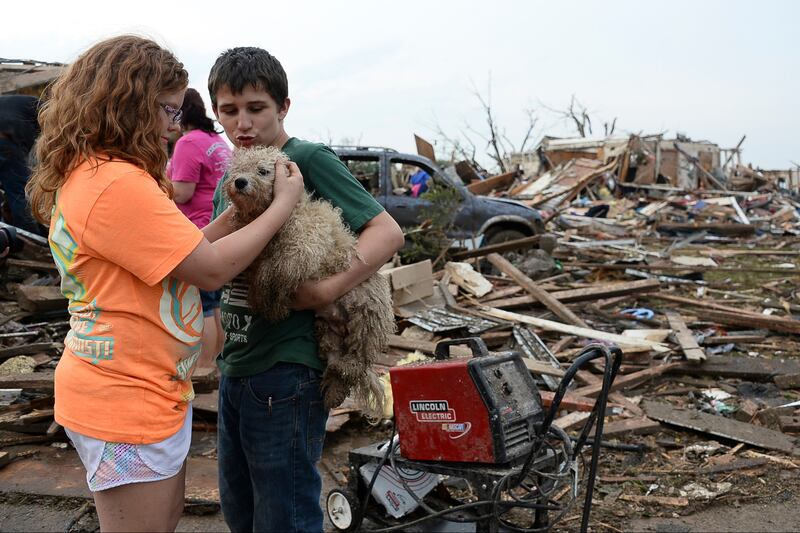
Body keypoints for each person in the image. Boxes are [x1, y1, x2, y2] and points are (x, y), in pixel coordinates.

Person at [25, 36, 304, 532]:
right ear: (130, 104)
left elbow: (182, 250)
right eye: (168, 110)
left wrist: (235, 219)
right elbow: (212, 270)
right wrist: (283, 204)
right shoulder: (116, 185)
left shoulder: (100, 174)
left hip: (140, 387)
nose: (174, 125)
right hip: (124, 397)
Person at [207, 46, 405, 533]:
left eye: (257, 108)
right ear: (215, 113)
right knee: (241, 511)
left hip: (287, 369)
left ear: (284, 107)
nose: (243, 123)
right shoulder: (233, 178)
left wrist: (325, 290)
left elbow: (386, 233)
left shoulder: (304, 161)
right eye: (229, 111)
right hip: (239, 363)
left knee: (285, 514)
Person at [169, 88, 233, 369]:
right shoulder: (216, 141)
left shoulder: (187, 143)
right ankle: (217, 362)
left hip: (198, 229)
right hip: (224, 228)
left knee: (205, 306)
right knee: (217, 304)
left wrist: (152, 186)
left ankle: (205, 366)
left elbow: (182, 192)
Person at [0, 94, 41, 234]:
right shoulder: (45, 109)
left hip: (8, 138)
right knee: (19, 193)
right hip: (6, 141)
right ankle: (30, 235)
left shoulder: (18, 103)